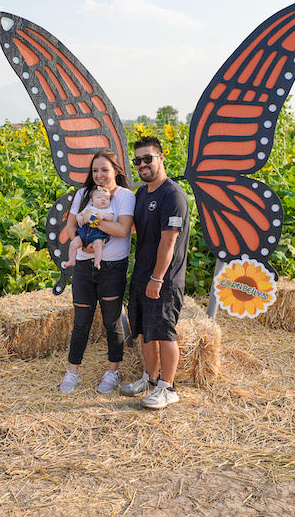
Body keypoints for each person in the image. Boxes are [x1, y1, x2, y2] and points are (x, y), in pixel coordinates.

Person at [119, 137, 190, 409]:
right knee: (146, 332)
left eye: (147, 159)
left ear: (161, 157)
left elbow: (169, 241)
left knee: (164, 332)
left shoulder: (172, 195)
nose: (142, 165)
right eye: (137, 161)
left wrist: (157, 278)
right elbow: (133, 228)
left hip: (164, 280)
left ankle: (168, 388)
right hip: (142, 274)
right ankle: (150, 380)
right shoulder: (142, 194)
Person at [59, 149, 135, 394]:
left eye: (104, 169)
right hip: (82, 266)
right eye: (95, 170)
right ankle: (72, 372)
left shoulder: (125, 196)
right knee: (80, 321)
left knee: (112, 321)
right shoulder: (83, 193)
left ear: (116, 170)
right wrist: (81, 241)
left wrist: (92, 221)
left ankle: (113, 370)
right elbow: (71, 224)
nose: (99, 175)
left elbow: (123, 230)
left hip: (112, 268)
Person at [62, 185, 114, 269]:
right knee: (73, 244)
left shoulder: (107, 210)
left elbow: (111, 217)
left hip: (97, 234)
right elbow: (81, 214)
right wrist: (79, 218)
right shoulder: (89, 208)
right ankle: (72, 260)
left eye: (107, 198)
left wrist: (104, 216)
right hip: (84, 231)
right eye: (99, 197)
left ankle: (97, 262)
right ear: (92, 201)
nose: (103, 199)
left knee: (98, 245)